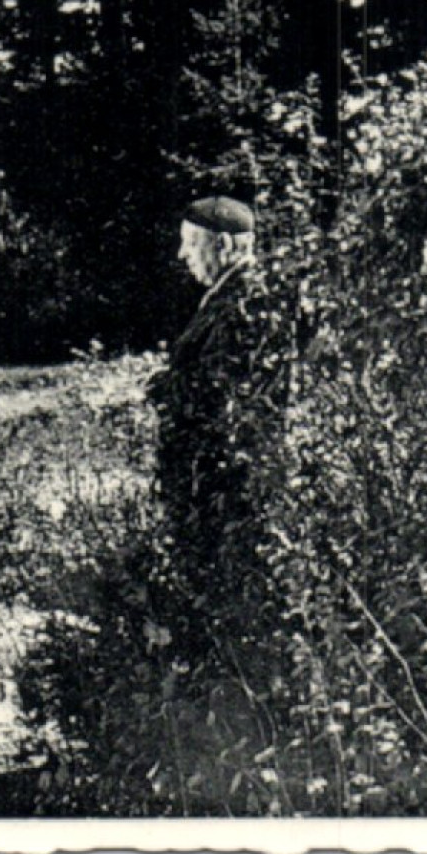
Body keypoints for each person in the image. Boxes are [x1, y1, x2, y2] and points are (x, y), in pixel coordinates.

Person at [147, 195, 261, 656]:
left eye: (189, 244)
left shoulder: (242, 304)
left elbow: (219, 398)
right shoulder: (232, 297)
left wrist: (168, 390)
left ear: (222, 246)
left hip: (217, 486)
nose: (182, 255)